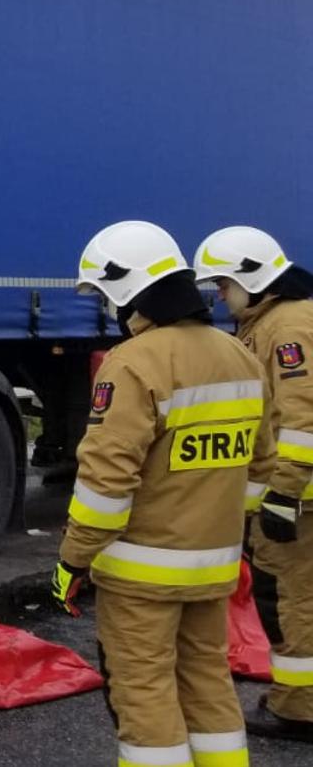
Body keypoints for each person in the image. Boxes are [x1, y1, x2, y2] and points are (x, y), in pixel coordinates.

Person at [53, 220, 267, 767]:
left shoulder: (132, 363)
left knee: (143, 692)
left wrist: (73, 560)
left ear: (127, 291)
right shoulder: (239, 355)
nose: (106, 308)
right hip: (213, 566)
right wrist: (224, 528)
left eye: (105, 295)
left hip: (141, 575)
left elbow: (106, 483)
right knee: (208, 684)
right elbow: (260, 463)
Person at [194, 225, 313, 741]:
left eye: (223, 285)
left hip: (300, 498)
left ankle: (297, 708)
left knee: (290, 599)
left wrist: (283, 493)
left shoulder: (284, 328)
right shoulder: (284, 319)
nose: (220, 296)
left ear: (254, 278)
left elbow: (301, 421)